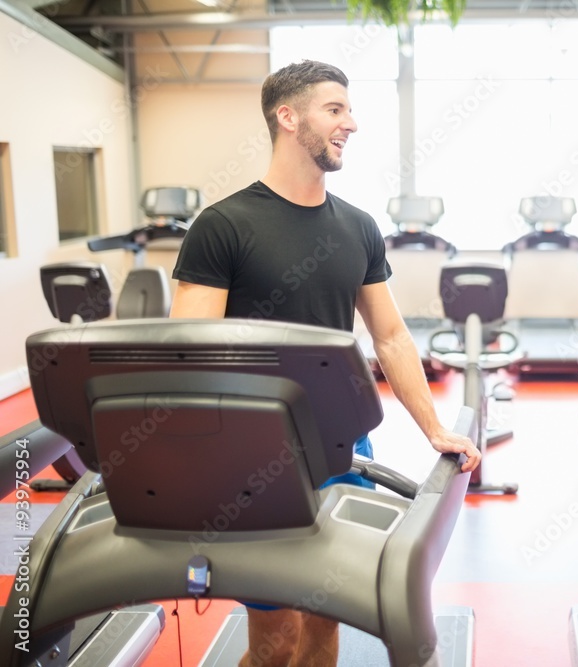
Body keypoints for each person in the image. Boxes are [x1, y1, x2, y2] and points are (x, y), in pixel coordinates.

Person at [169, 59, 481, 667]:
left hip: (345, 447)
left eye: (350, 110)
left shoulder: (358, 228)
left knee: (325, 617)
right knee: (274, 637)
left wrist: (434, 430)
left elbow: (390, 338)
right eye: (335, 110)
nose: (351, 124)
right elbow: (192, 350)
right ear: (288, 117)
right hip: (254, 461)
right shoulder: (222, 226)